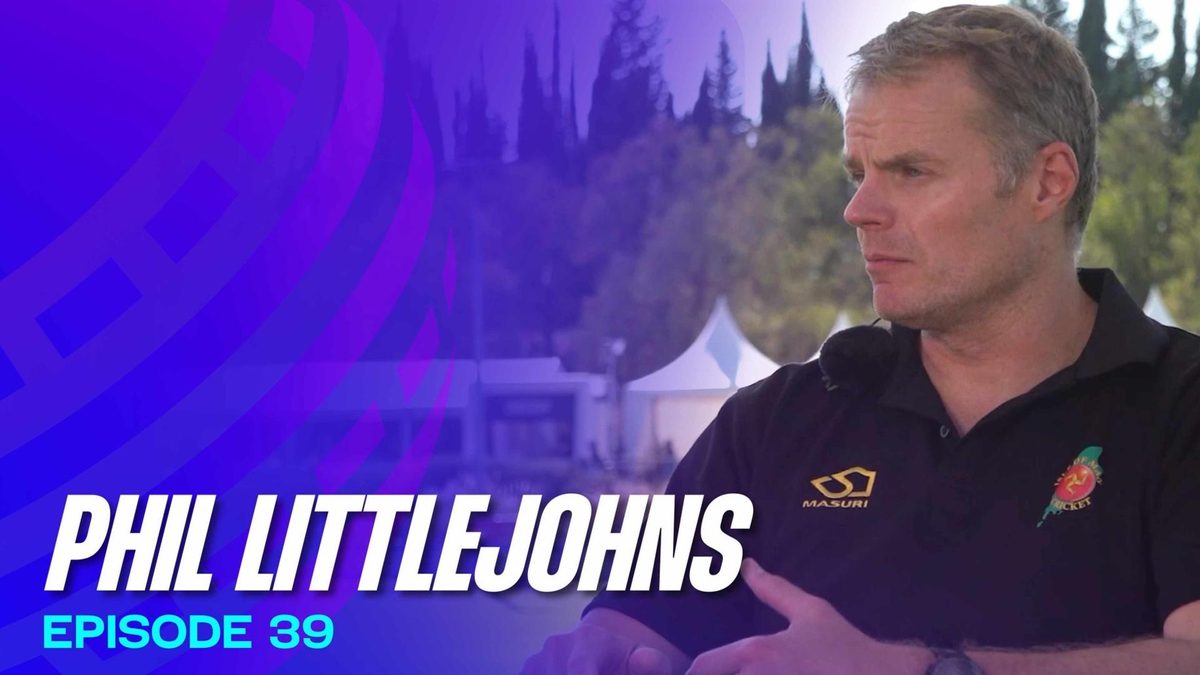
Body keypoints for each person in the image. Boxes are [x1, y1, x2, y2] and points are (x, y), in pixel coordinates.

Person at [521, 4, 1200, 674]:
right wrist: (598, 653)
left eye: (911, 172)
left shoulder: (1180, 404)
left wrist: (921, 671)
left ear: (1047, 182)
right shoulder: (769, 423)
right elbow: (631, 626)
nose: (859, 210)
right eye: (860, 173)